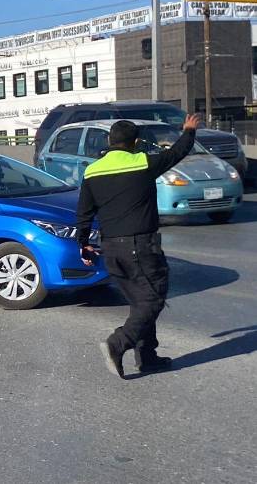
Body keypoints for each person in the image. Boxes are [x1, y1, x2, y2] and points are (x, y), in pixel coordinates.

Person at [77, 114, 200, 379]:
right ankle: (117, 343)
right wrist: (189, 131)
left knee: (140, 302)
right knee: (153, 299)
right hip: (141, 247)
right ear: (134, 143)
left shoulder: (92, 170)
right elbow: (177, 153)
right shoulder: (142, 162)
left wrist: (83, 244)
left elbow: (84, 213)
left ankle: (148, 357)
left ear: (110, 142)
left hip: (110, 249)